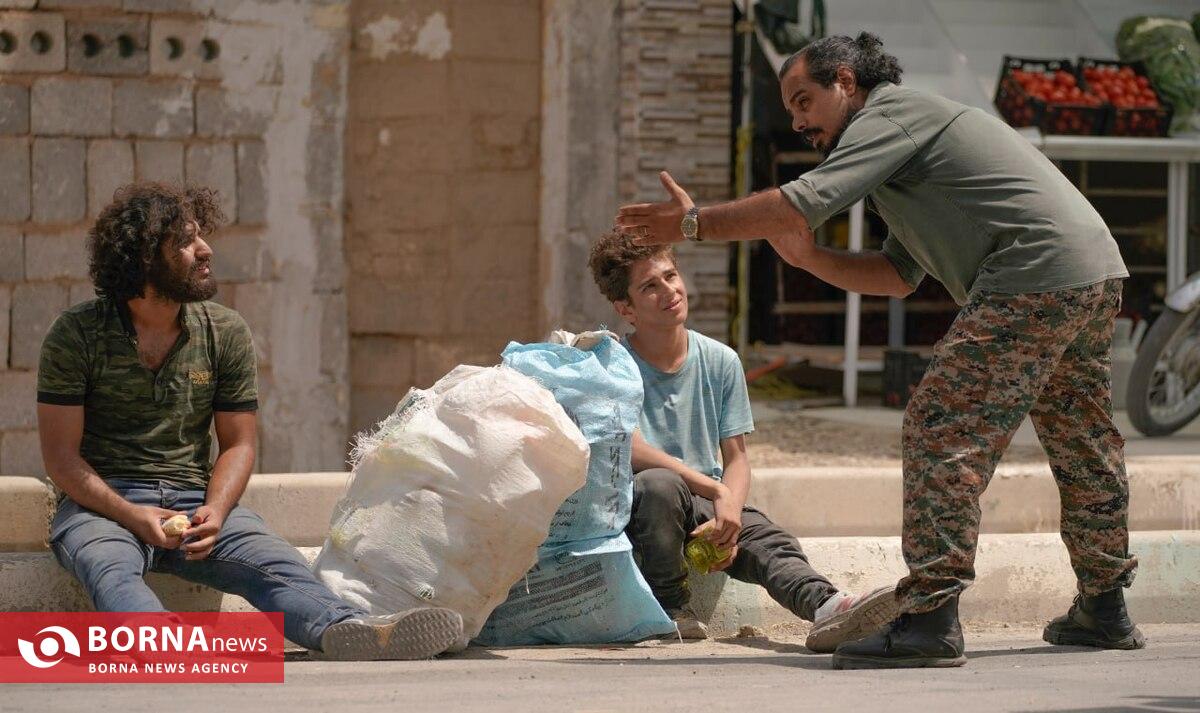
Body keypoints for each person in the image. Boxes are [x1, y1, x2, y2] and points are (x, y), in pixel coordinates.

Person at [613, 32, 1142, 669]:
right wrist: (808, 256)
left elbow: (798, 203)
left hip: (1029, 272)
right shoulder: (902, 152)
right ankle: (1104, 607)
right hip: (1091, 270)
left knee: (941, 427)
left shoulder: (891, 115)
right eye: (790, 109)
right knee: (1082, 440)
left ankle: (931, 617)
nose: (800, 121)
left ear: (846, 81)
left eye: (805, 100)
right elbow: (897, 275)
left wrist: (693, 225)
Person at [37, 182, 462, 660]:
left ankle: (350, 632)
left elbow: (238, 445)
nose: (205, 249)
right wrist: (132, 515)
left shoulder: (225, 331)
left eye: (200, 235)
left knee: (273, 561)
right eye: (184, 240)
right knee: (107, 565)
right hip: (102, 507)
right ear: (142, 258)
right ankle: (162, 645)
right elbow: (60, 456)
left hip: (194, 502)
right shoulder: (76, 334)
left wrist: (216, 511)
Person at [587, 231, 898, 652]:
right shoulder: (613, 364)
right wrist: (714, 488)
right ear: (626, 308)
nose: (670, 291)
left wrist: (729, 510)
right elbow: (634, 450)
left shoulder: (721, 360)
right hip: (640, 507)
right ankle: (672, 608)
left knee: (769, 541)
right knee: (658, 483)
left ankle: (828, 607)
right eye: (650, 287)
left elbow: (737, 458)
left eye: (671, 276)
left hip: (703, 502)